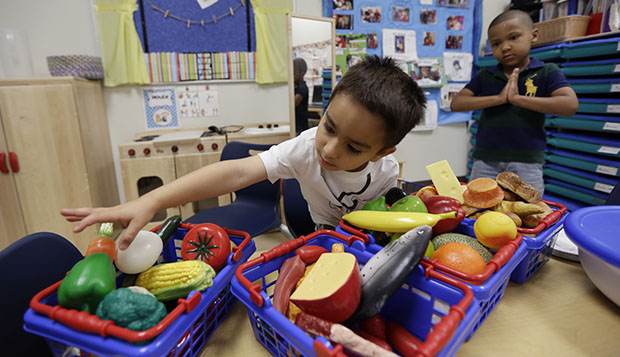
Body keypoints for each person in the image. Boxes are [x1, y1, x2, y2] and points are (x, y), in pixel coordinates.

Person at [61, 56, 427, 249]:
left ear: (382, 152)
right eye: (328, 127)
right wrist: (151, 201)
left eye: (353, 147)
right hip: (327, 236)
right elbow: (235, 173)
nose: (329, 149)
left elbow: (397, 211)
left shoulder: (386, 170)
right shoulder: (302, 149)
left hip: (376, 240)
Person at [450, 9, 578, 194]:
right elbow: (457, 103)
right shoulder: (487, 75)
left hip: (527, 161)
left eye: (514, 37)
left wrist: (518, 100)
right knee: (478, 207)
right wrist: (498, 99)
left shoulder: (546, 71)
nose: (505, 47)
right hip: (486, 159)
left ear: (533, 36)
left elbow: (570, 105)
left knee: (529, 211)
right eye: (496, 43)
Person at [293, 58, 309, 135]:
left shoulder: (302, 88)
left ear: (302, 73)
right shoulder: (296, 86)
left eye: (294, 72)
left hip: (300, 129)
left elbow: (293, 104)